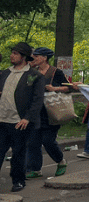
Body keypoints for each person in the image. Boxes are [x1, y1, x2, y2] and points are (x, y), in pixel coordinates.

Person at [0, 43, 45, 192]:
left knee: (18, 153)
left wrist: (28, 118)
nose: (12, 56)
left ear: (24, 57)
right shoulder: (5, 73)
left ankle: (18, 181)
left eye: (15, 53)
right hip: (2, 119)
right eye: (12, 53)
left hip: (19, 121)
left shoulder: (34, 75)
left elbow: (37, 100)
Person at [25, 47, 71, 179]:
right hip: (36, 113)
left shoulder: (55, 72)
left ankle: (61, 161)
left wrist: (54, 88)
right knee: (33, 142)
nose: (33, 59)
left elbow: (69, 88)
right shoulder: (33, 72)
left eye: (36, 56)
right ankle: (35, 169)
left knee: (48, 141)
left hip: (51, 113)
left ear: (44, 58)